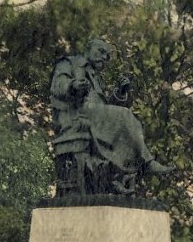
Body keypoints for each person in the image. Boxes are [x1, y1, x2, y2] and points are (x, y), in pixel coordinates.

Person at [50, 39, 173, 195]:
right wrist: (73, 85)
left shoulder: (97, 79)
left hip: (95, 117)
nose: (104, 57)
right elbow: (57, 86)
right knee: (124, 115)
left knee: (125, 119)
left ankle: (116, 176)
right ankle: (146, 162)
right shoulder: (69, 63)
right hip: (76, 117)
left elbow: (106, 108)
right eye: (101, 51)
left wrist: (120, 92)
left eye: (107, 56)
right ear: (88, 49)